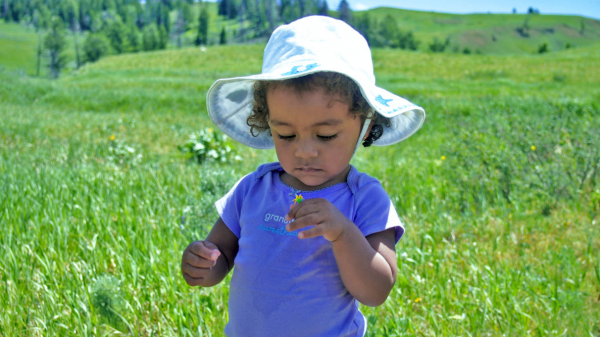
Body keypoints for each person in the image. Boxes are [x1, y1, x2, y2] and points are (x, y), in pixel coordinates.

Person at [181, 15, 425, 337]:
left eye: (325, 136)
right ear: (267, 120)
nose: (304, 151)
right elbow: (222, 253)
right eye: (285, 134)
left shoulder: (364, 198)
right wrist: (203, 264)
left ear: (365, 123)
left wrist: (342, 233)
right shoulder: (252, 189)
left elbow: (376, 290)